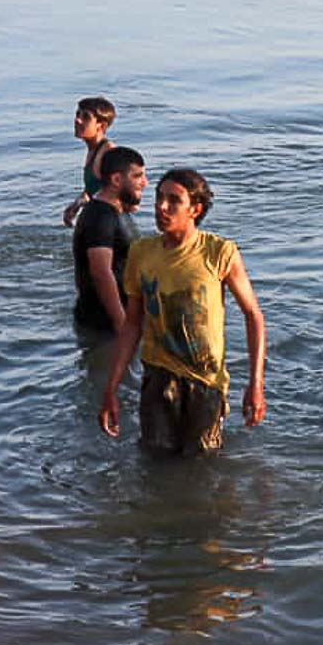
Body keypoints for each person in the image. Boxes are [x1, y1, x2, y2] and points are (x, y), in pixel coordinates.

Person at [98, 168, 267, 456]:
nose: (162, 207)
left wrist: (255, 385)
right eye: (159, 198)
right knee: (154, 458)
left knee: (203, 463)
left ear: (195, 209)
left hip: (206, 381)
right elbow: (132, 325)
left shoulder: (219, 252)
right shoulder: (141, 253)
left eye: (174, 200)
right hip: (158, 377)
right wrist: (111, 388)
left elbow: (253, 315)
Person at [72, 146, 145, 334]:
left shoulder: (114, 211)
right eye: (137, 176)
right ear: (116, 179)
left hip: (119, 317)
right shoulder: (100, 218)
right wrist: (122, 324)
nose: (144, 183)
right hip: (104, 325)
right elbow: (101, 273)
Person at [63, 96, 118, 227]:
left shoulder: (107, 152)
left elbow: (118, 192)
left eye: (86, 117)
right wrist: (76, 205)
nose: (77, 120)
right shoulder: (93, 150)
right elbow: (93, 189)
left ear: (101, 125)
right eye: (78, 114)